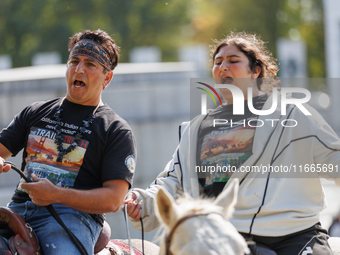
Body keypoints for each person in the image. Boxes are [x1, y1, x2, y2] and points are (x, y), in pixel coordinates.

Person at [123, 31, 338, 254]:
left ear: (256, 71)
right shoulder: (196, 128)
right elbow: (174, 181)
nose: (223, 66)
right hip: (220, 234)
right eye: (217, 62)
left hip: (293, 235)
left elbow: (335, 159)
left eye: (233, 61)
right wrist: (142, 201)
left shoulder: (294, 115)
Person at [0, 29, 137, 255]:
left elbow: (114, 199)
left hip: (74, 218)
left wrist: (56, 195)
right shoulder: (35, 112)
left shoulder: (116, 130)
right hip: (16, 211)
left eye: (90, 64)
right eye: (74, 61)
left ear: (107, 78)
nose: (79, 69)